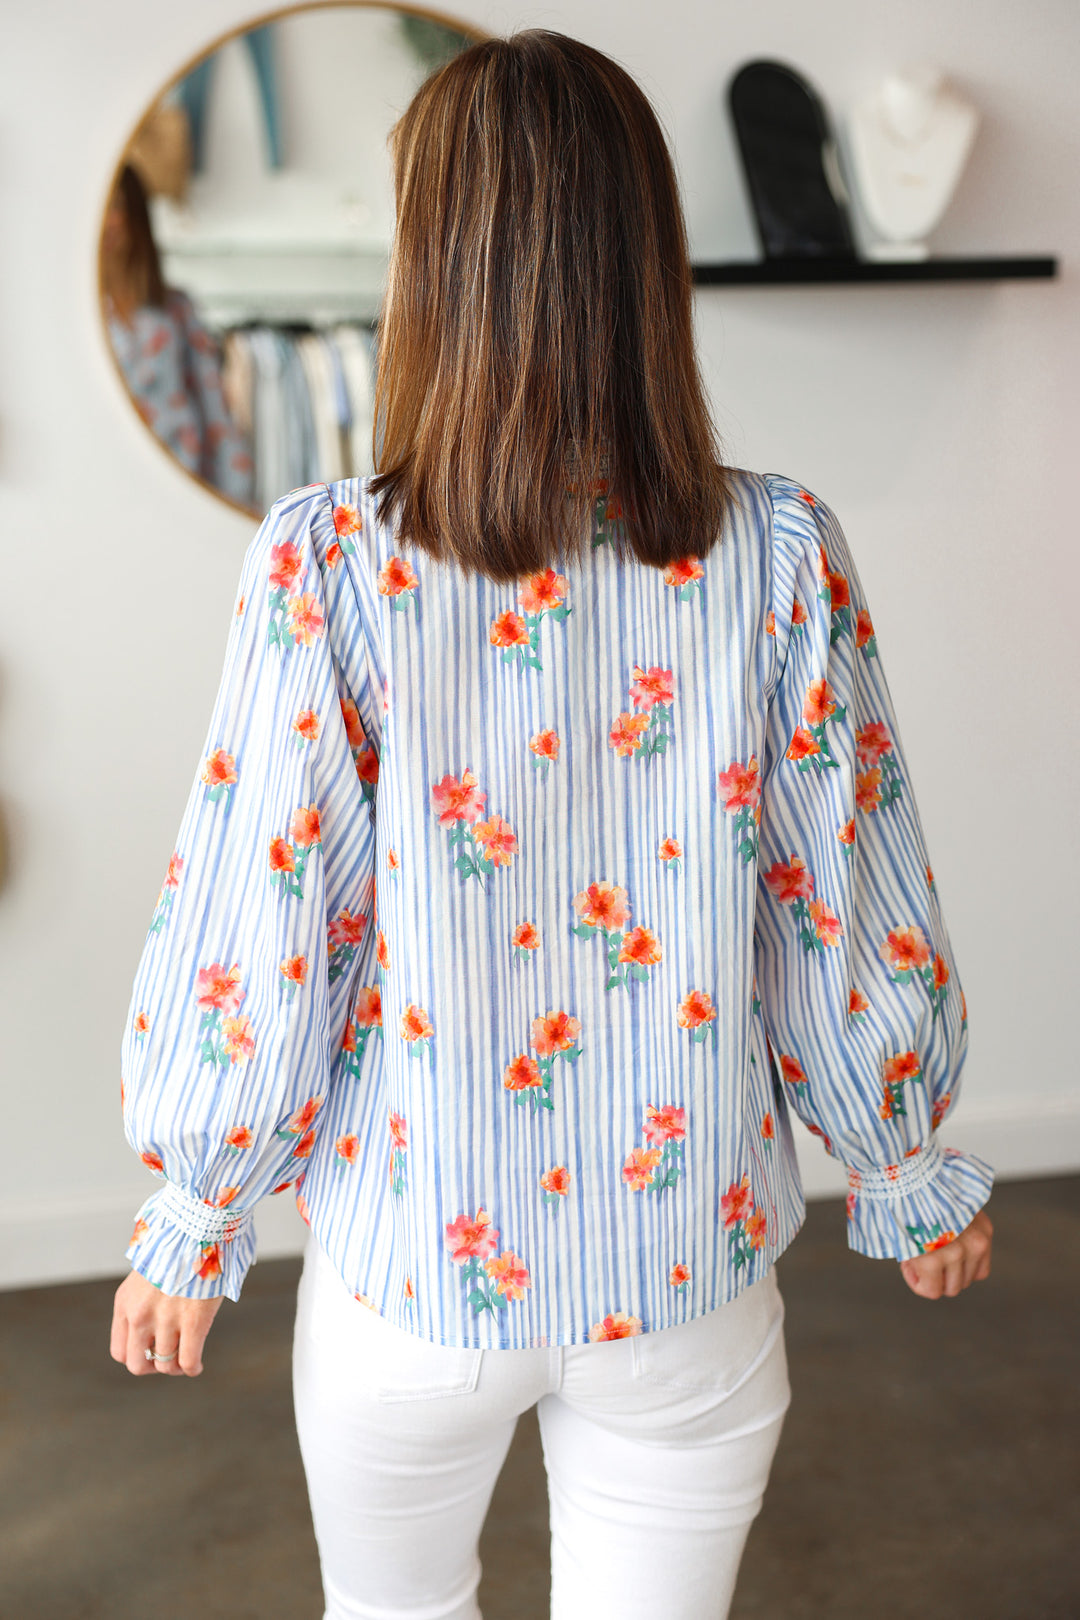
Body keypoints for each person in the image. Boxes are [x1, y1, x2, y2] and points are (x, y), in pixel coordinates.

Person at [110, 31, 993, 1620]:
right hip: (687, 1279)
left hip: (413, 1287)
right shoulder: (783, 552)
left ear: (430, 262)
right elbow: (837, 891)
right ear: (646, 256)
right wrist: (900, 1153)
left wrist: (198, 1203)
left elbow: (268, 912)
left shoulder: (327, 565)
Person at [101, 163, 255, 508]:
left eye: (119, 207)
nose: (110, 221)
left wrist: (238, 498)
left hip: (184, 481)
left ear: (136, 216)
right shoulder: (82, 315)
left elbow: (214, 405)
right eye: (104, 208)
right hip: (110, 486)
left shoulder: (176, 308)